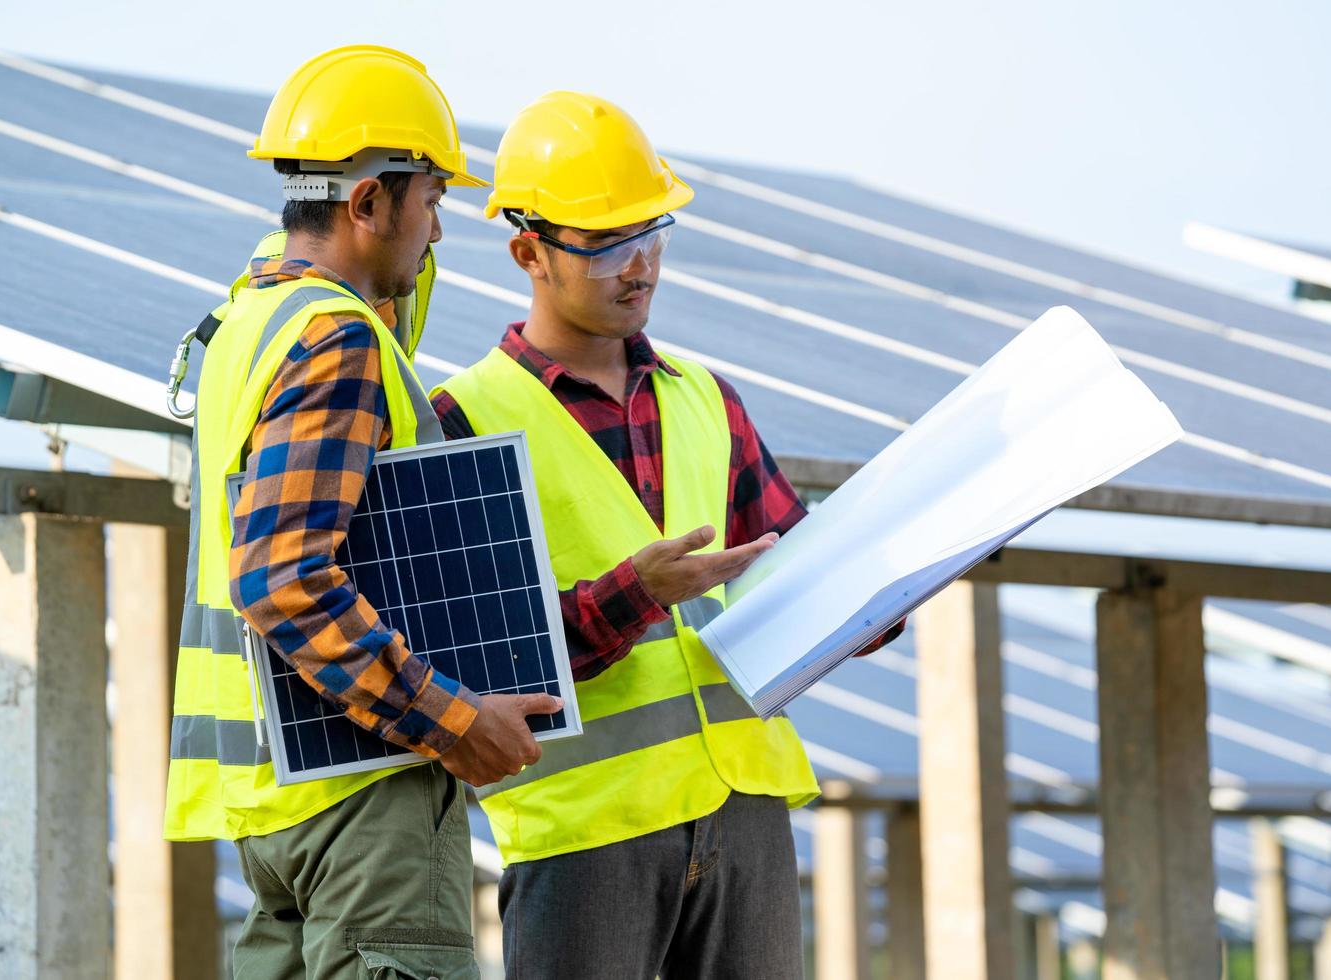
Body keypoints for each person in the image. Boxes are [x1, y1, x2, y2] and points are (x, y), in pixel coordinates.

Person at [431, 90, 901, 979]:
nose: (638, 265)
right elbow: (475, 670)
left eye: (652, 234)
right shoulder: (464, 422)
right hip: (584, 829)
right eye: (606, 243)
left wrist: (893, 585)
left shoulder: (706, 399)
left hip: (744, 806)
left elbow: (796, 577)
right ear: (527, 250)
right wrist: (636, 593)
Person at [161, 46, 555, 978]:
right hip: (364, 799)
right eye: (432, 201)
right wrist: (453, 719)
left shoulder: (251, 316)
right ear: (368, 203)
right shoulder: (335, 339)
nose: (439, 233)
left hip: (280, 798)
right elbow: (284, 581)